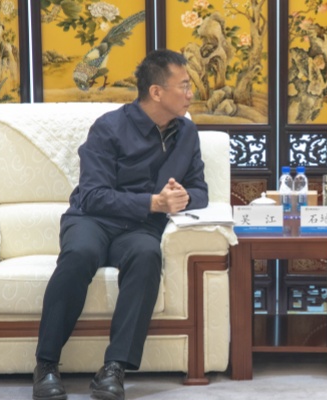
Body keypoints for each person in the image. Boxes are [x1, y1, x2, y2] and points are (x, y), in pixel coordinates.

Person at [32, 49, 206, 400]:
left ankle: (114, 369)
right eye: (184, 86)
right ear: (156, 92)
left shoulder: (187, 133)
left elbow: (201, 190)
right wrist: (153, 202)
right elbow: (93, 195)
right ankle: (46, 364)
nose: (191, 94)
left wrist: (181, 197)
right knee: (79, 254)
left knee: (147, 256)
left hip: (141, 229)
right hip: (92, 220)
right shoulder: (109, 127)